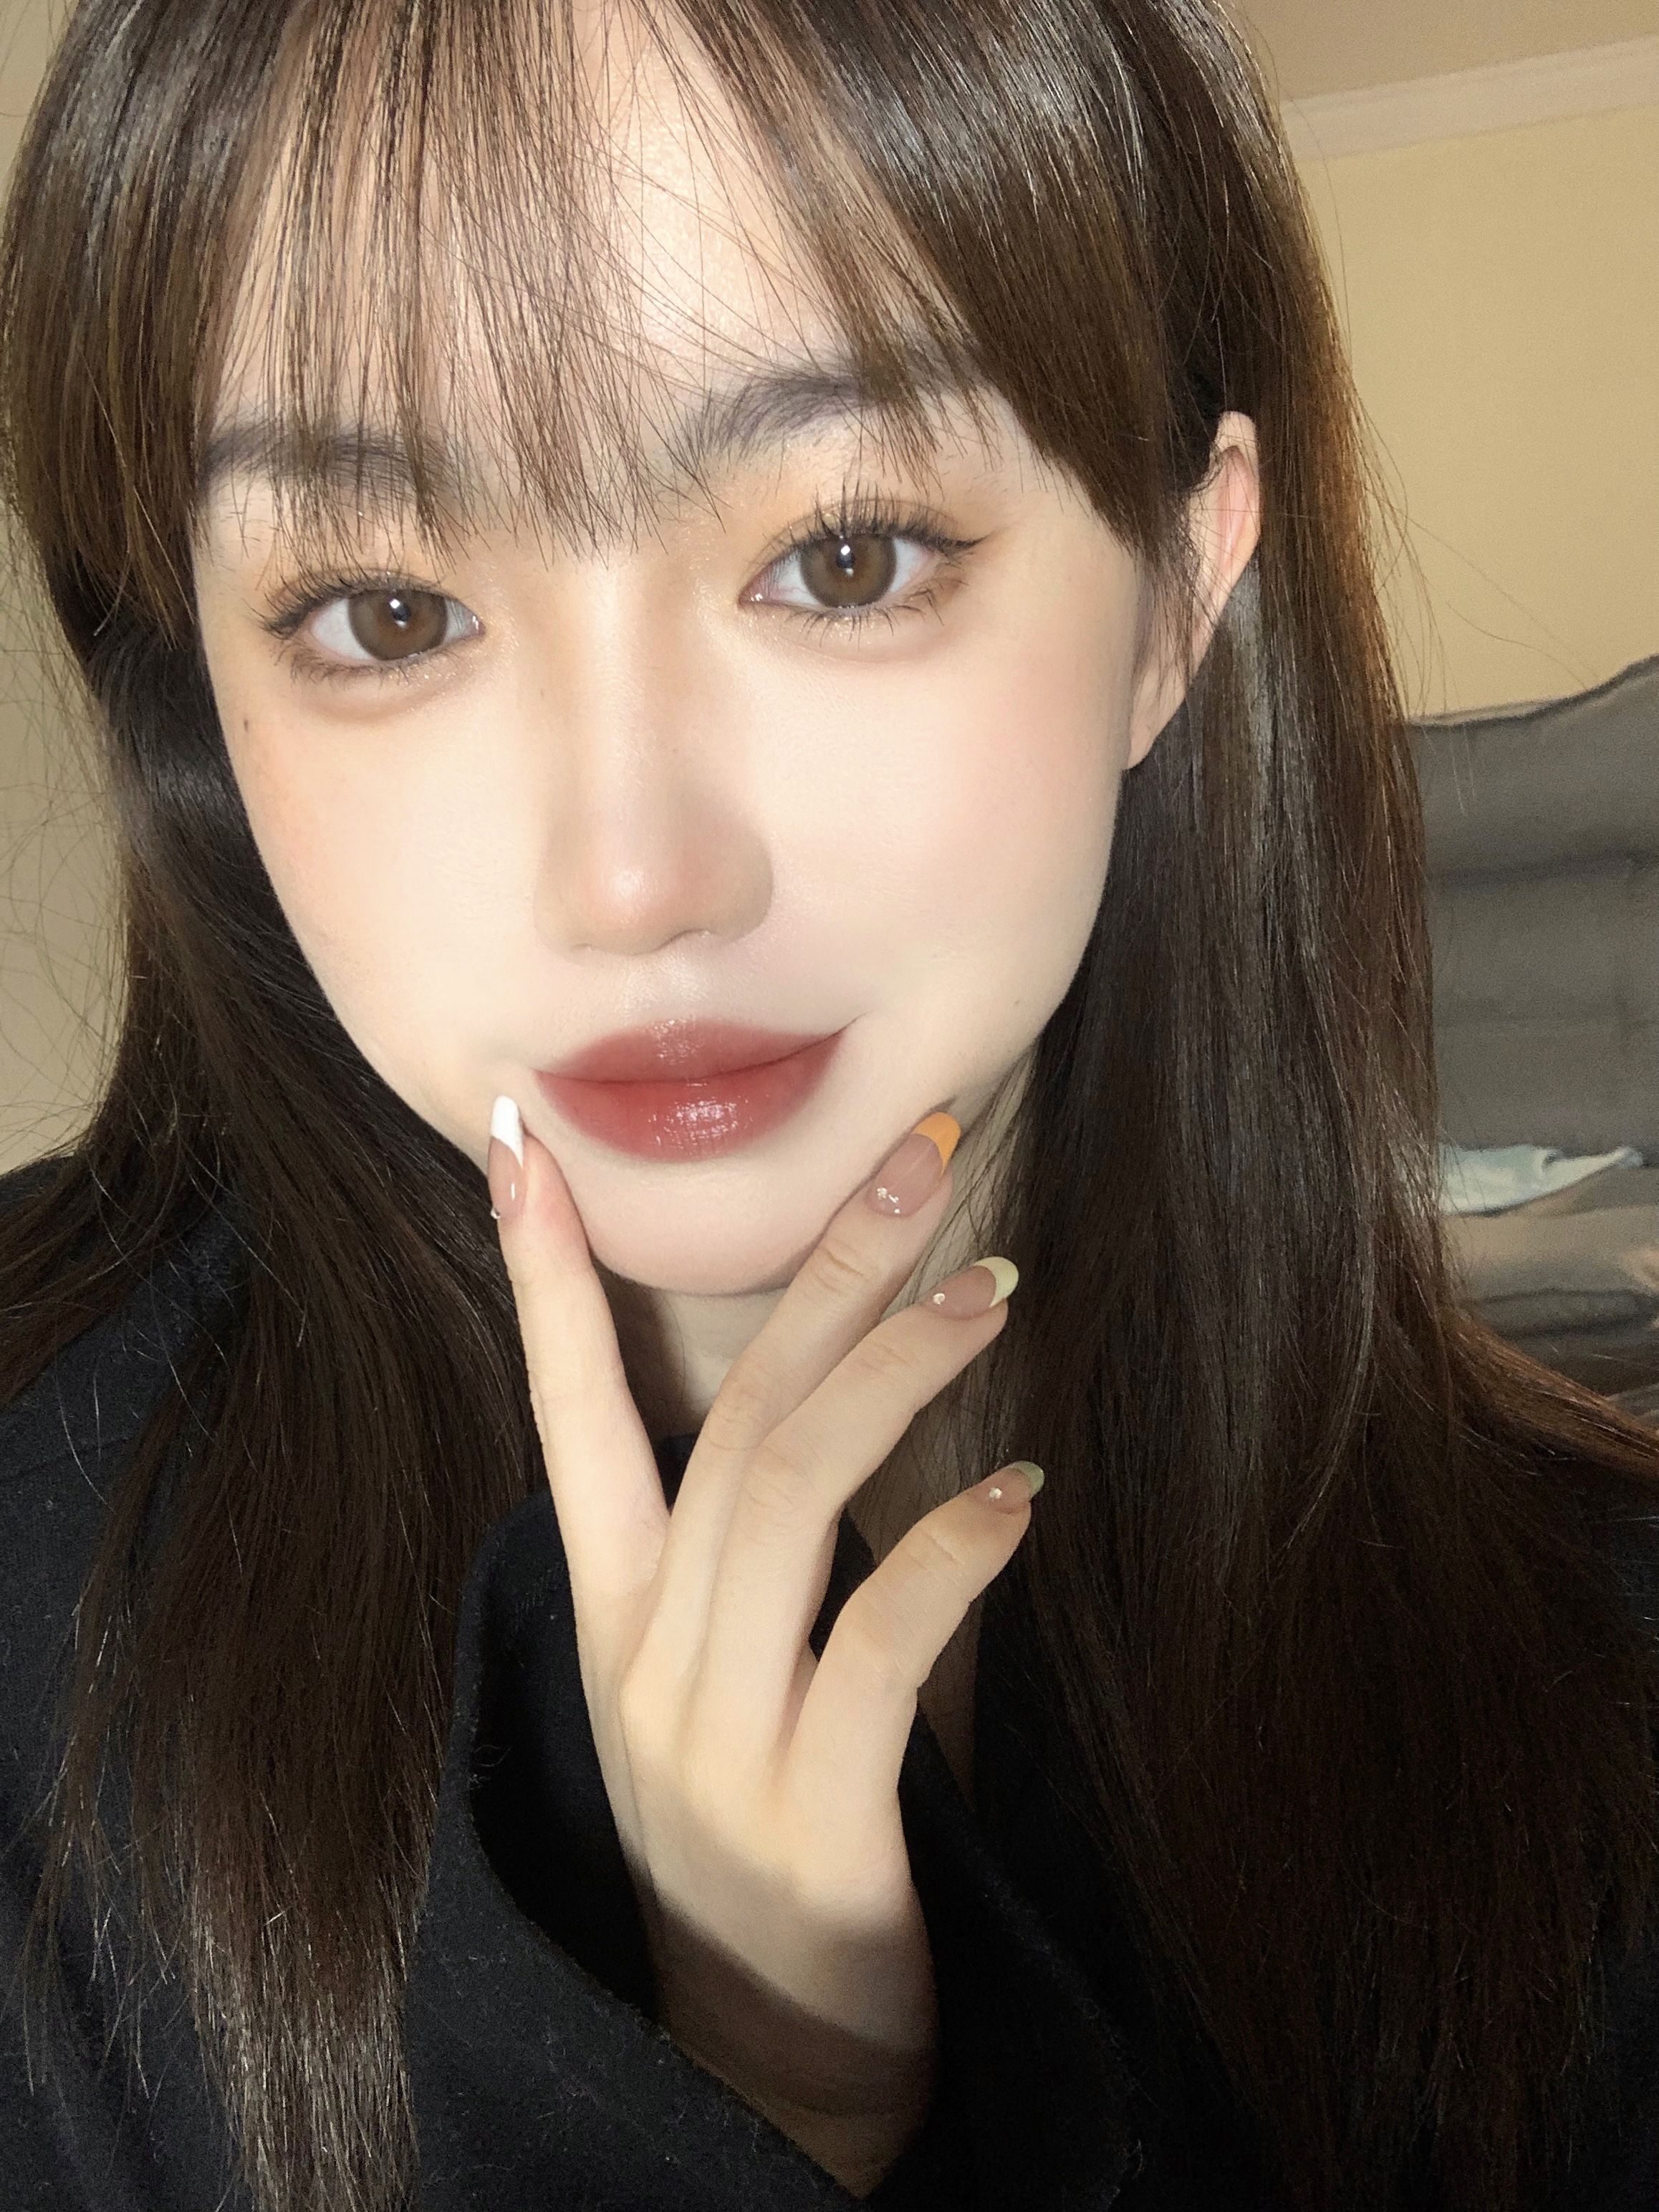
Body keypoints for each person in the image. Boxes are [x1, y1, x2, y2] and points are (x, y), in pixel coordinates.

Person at [0, 1, 1655, 2206]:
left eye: (845, 557)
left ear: (1173, 594)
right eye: (386, 612)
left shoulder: (1597, 1687)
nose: (632, 877)